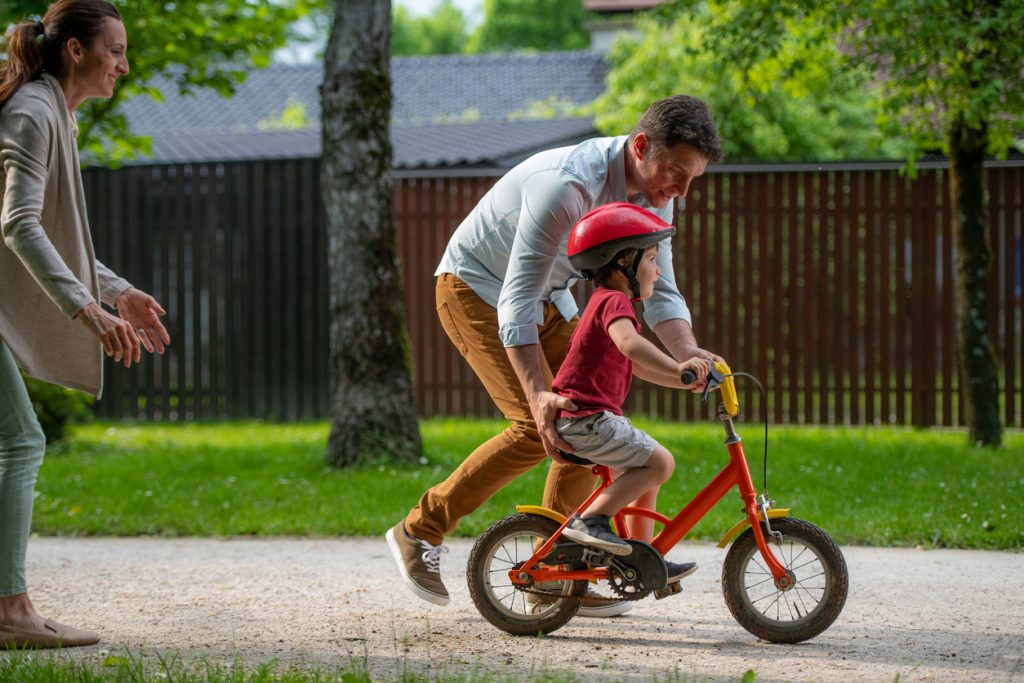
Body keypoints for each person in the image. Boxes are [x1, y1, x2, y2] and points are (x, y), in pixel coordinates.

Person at [387, 95, 723, 617]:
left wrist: (689, 354)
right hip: (478, 287)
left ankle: (557, 569)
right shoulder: (567, 185)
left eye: (691, 179)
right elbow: (517, 297)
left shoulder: (658, 191)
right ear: (640, 146)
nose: (680, 190)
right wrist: (539, 394)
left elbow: (660, 288)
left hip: (551, 296)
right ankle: (419, 529)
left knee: (591, 418)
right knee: (537, 424)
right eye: (676, 172)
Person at [0, 0, 170, 649]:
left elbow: (55, 235)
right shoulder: (34, 111)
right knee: (20, 441)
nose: (123, 65)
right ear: (76, 49)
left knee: (16, 441)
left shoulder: (53, 114)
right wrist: (85, 308)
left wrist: (117, 292)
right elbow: (19, 225)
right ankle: (10, 609)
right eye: (115, 51)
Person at [552, 202, 711, 583]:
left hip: (587, 418)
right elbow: (631, 347)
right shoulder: (613, 301)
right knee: (660, 464)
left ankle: (645, 557)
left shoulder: (607, 303)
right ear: (624, 261)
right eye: (652, 259)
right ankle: (591, 520)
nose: (658, 269)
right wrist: (679, 366)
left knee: (646, 471)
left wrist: (683, 380)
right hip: (586, 419)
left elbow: (635, 365)